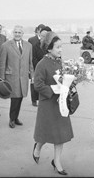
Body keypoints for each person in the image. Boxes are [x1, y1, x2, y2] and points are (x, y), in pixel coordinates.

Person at [32, 32, 73, 175]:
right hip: (48, 104)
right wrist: (53, 89)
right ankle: (37, 147)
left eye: (61, 47)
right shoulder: (41, 64)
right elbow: (37, 85)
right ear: (49, 49)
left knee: (60, 134)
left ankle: (57, 162)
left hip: (60, 104)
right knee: (45, 133)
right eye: (58, 47)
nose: (61, 50)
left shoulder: (60, 61)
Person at [0, 25, 34, 129]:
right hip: (11, 78)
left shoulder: (28, 45)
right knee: (14, 99)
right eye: (16, 32)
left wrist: (32, 76)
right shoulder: (6, 45)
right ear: (13, 33)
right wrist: (1, 79)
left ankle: (15, 117)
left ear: (23, 34)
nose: (17, 34)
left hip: (23, 78)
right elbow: (2, 63)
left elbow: (30, 62)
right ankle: (12, 119)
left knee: (20, 98)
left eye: (19, 32)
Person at [27, 24, 46, 107]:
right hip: (34, 64)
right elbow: (30, 53)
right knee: (33, 82)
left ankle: (41, 98)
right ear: (37, 31)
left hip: (44, 65)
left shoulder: (47, 41)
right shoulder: (31, 40)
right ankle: (34, 99)